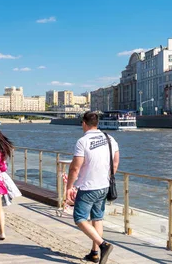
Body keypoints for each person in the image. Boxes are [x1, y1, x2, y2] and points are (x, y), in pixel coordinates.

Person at [66, 111, 119, 263]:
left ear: (84, 123)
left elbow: (75, 167)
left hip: (88, 186)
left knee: (80, 218)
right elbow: (115, 163)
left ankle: (103, 245)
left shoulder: (82, 141)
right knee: (97, 218)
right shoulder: (110, 139)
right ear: (97, 123)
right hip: (104, 186)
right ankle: (94, 253)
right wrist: (107, 177)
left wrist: (69, 187)